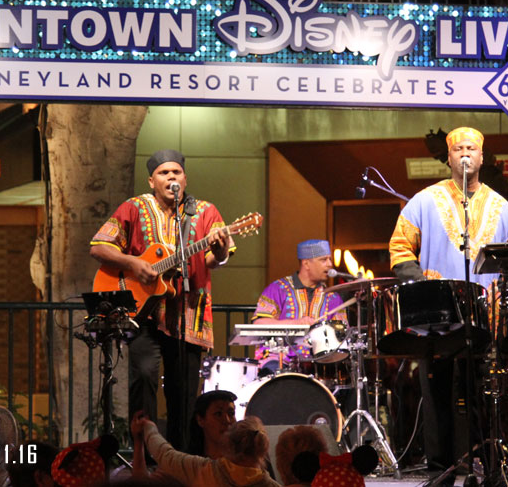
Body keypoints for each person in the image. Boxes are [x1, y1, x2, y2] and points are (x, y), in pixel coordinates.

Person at [388, 127, 508, 479]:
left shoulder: (500, 206)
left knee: (483, 395)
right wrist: (420, 285)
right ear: (448, 157)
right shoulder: (423, 201)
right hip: (437, 315)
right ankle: (440, 471)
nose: (465, 154)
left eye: (471, 149)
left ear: (481, 157)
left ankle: (486, 468)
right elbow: (399, 249)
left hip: (485, 315)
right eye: (458, 148)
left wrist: (506, 287)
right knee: (437, 397)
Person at [90, 149, 233, 450]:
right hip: (142, 315)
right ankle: (145, 456)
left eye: (176, 173)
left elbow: (214, 260)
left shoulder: (206, 212)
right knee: (143, 379)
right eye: (164, 173)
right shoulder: (133, 207)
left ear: (185, 177)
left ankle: (180, 459)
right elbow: (99, 246)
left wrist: (219, 251)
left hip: (188, 315)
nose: (171, 178)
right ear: (151, 180)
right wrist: (133, 264)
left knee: (183, 392)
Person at [250, 239, 345, 373]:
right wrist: (297, 323)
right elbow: (259, 323)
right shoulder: (278, 289)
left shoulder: (333, 298)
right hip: (279, 359)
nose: (330, 264)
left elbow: (341, 336)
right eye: (323, 260)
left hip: (319, 362)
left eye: (330, 259)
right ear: (306, 263)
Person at [131, 410, 280, 487]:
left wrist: (149, 428)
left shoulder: (203, 470)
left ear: (228, 442)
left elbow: (164, 454)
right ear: (263, 449)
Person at [187, 389, 238, 459]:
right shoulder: (189, 464)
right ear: (200, 420)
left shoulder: (245, 464)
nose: (227, 420)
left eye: (231, 413)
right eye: (218, 414)